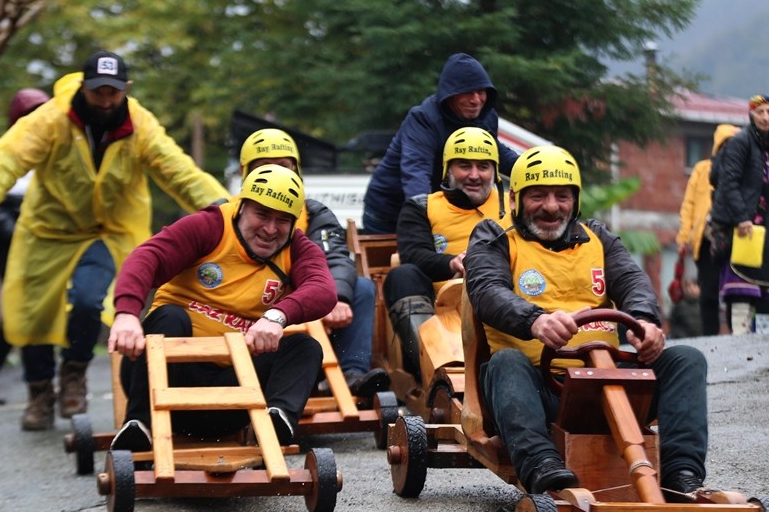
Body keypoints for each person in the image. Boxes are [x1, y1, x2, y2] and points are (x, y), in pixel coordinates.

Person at [0, 49, 230, 431]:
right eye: (97, 91)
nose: (105, 100)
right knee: (30, 314)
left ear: (125, 89)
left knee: (87, 299)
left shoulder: (139, 124)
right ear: (83, 87)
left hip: (109, 232)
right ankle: (39, 393)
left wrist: (223, 209)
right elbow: (7, 157)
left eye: (112, 92)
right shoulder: (51, 118)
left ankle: (75, 370)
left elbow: (178, 170)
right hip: (48, 231)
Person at [465, 145, 710, 499]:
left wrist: (644, 323)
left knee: (687, 359)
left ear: (575, 200)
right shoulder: (493, 236)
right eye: (538, 196)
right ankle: (544, 471)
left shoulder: (598, 237)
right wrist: (535, 321)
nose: (551, 206)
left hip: (605, 383)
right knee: (505, 363)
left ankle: (681, 477)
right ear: (516, 198)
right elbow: (487, 291)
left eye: (562, 196)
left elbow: (632, 281)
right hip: (538, 391)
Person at [106, 164, 336, 451]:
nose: (270, 229)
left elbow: (324, 290)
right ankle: (140, 425)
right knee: (169, 317)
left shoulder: (297, 247)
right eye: (262, 215)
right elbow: (147, 257)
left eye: (282, 220)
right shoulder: (210, 225)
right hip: (167, 382)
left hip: (235, 394)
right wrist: (126, 314)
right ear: (241, 208)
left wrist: (276, 317)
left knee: (305, 346)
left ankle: (274, 424)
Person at [238, 127, 389, 401]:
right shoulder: (224, 212)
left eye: (284, 167)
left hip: (306, 304)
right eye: (264, 167)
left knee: (362, 288)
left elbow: (335, 256)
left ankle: (351, 374)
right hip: (247, 307)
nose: (276, 175)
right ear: (244, 172)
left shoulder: (315, 212)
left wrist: (338, 298)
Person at [385, 127, 510, 381]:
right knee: (402, 274)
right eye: (464, 166)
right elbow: (413, 254)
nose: (474, 175)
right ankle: (433, 372)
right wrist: (453, 261)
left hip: (504, 300)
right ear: (448, 170)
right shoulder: (421, 206)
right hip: (441, 308)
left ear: (494, 171)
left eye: (483, 166)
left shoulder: (515, 204)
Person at [361, 53, 521, 234]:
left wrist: (536, 171)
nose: (476, 100)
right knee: (401, 260)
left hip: (440, 209)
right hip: (389, 210)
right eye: (468, 92)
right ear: (450, 94)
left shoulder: (486, 117)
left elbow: (497, 153)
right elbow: (416, 171)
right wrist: (420, 216)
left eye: (481, 92)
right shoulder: (424, 119)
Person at [0, 88, 51, 405]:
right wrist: (13, 229)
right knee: (22, 309)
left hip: (47, 241)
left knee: (41, 308)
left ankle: (40, 381)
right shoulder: (0, 153)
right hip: (9, 243)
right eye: (28, 115)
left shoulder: (54, 150)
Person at [710, 95, 769, 335]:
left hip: (761, 223)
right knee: (740, 283)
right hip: (741, 224)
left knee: (758, 284)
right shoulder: (741, 142)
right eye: (760, 113)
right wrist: (742, 218)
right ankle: (740, 336)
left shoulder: (765, 144)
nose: (766, 117)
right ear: (751, 116)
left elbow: (758, 181)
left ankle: (751, 338)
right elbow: (729, 183)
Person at [676, 123, 739, 336]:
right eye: (725, 145)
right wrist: (684, 237)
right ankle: (710, 338)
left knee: (734, 288)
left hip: (734, 238)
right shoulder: (702, 169)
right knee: (709, 293)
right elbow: (689, 205)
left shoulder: (741, 170)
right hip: (705, 239)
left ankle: (735, 333)